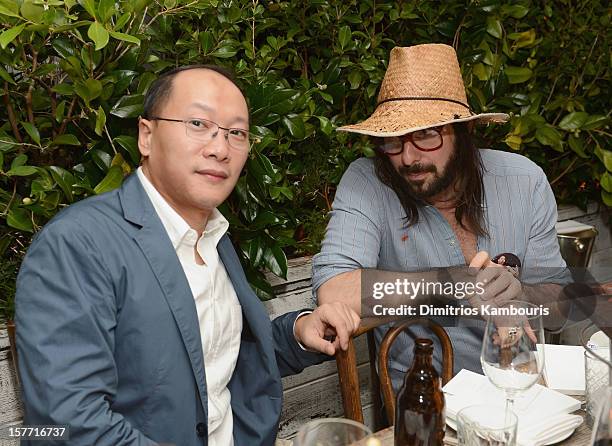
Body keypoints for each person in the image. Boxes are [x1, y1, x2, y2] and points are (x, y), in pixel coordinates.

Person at [15, 65, 360, 446]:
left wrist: (298, 333)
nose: (220, 148)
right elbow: (67, 423)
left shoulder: (214, 235)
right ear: (146, 136)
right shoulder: (78, 243)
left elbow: (212, 360)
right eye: (198, 123)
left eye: (237, 133)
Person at [312, 44, 568, 391]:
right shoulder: (368, 182)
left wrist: (521, 293)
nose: (407, 158)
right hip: (427, 409)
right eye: (393, 140)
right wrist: (453, 284)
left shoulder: (524, 180)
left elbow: (559, 308)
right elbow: (335, 293)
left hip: (521, 391)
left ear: (462, 133)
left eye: (426, 135)